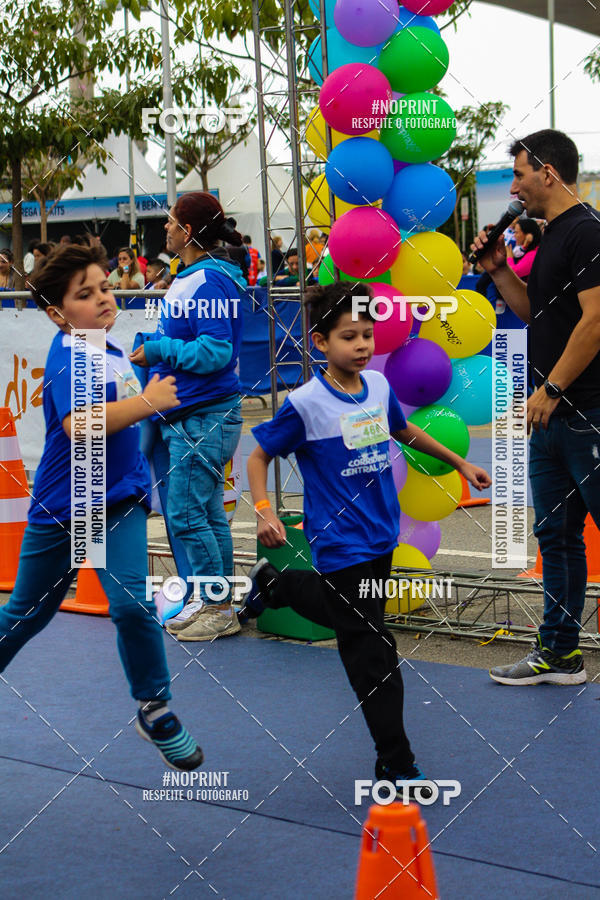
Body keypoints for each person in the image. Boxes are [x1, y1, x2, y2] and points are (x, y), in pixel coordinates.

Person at [243, 281, 491, 795]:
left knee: (350, 621)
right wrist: (263, 512)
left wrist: (460, 462)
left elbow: (405, 432)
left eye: (367, 336)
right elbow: (258, 455)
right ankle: (395, 762)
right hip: (339, 544)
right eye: (349, 336)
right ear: (320, 342)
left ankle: (277, 586)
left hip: (381, 539)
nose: (362, 345)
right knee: (373, 650)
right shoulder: (306, 404)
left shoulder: (378, 390)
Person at [1, 244, 203, 770]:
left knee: (133, 605)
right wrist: (148, 402)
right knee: (26, 615)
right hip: (65, 506)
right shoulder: (71, 351)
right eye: (84, 295)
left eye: (105, 287)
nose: (103, 299)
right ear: (56, 313)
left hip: (117, 501)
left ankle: (154, 708)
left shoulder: (109, 350)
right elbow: (79, 423)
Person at [472, 128, 600, 686]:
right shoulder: (551, 238)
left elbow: (596, 323)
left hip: (585, 413)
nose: (515, 185)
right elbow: (541, 316)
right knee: (557, 540)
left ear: (548, 172)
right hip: (550, 419)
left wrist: (550, 390)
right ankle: (559, 655)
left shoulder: (588, 233)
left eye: (520, 173)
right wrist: (500, 270)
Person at [129, 192, 245, 641]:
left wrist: (159, 349)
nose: (166, 228)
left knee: (186, 513)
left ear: (189, 232)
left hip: (203, 414)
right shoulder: (199, 276)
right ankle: (215, 602)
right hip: (197, 412)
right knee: (205, 512)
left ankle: (216, 606)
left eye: (172, 221)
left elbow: (216, 351)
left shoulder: (208, 280)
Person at [506, 217, 542, 281]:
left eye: (516, 232)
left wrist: (509, 258)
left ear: (528, 235)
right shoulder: (527, 250)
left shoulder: (533, 254)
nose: (514, 236)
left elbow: (515, 273)